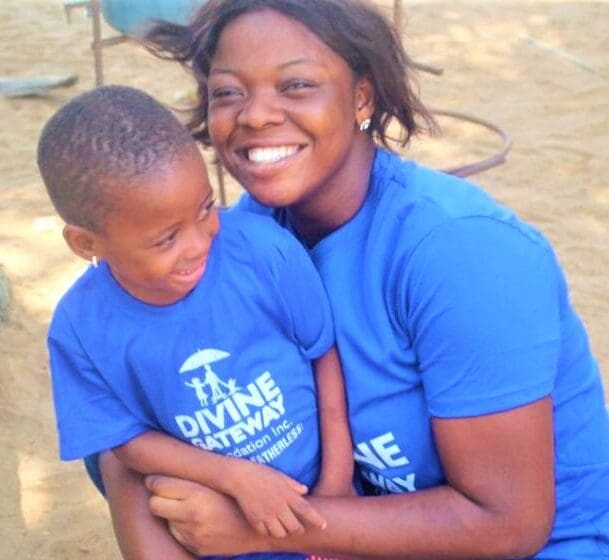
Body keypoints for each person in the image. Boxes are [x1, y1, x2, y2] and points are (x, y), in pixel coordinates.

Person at [114, 0, 609, 558]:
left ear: (361, 96)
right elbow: (125, 419)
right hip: (354, 526)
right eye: (228, 91)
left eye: (296, 84)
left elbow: (509, 525)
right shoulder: (242, 246)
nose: (254, 115)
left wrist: (258, 528)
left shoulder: (459, 252)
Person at [37, 84, 355, 560]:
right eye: (166, 238)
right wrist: (235, 477)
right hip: (210, 529)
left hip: (318, 503)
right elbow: (123, 441)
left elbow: (322, 354)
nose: (199, 242)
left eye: (205, 207)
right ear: (86, 244)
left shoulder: (262, 250)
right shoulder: (81, 328)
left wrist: (337, 484)